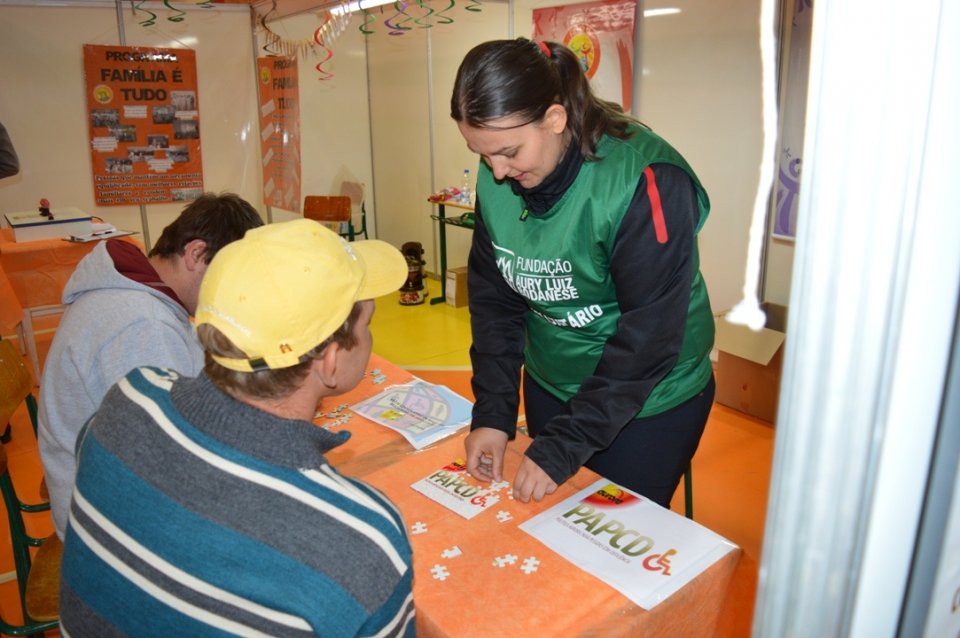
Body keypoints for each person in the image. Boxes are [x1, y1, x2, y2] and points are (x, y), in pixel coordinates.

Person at [58, 219, 414, 636]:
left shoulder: (127, 397)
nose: (370, 336)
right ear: (330, 361)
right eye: (367, 323)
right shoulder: (364, 538)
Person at [450, 38, 715, 508]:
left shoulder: (645, 180)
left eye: (508, 152)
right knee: (550, 517)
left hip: (649, 399)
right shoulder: (501, 170)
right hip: (553, 379)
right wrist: (493, 413)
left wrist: (564, 444)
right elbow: (495, 303)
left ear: (555, 118)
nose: (497, 172)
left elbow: (649, 338)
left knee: (611, 532)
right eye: (482, 154)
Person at [38, 192, 264, 539]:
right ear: (196, 254)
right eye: (230, 280)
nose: (232, 296)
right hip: (109, 530)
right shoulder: (144, 324)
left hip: (108, 491)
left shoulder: (137, 292)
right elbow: (175, 463)